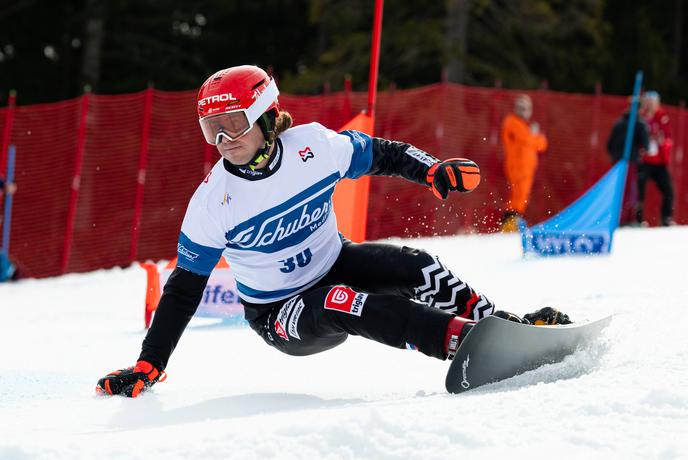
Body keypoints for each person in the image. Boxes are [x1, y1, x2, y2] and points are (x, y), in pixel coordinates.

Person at [96, 65, 571, 398]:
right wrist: (149, 365)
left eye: (234, 124)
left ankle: (506, 328)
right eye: (211, 129)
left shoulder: (314, 147)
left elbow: (381, 152)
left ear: (266, 116)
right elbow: (183, 290)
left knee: (416, 265)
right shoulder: (211, 202)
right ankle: (463, 344)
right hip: (280, 315)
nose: (224, 141)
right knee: (343, 300)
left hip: (334, 261)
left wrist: (431, 171)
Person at [500, 94, 548, 232]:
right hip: (516, 166)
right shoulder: (512, 121)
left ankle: (511, 224)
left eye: (526, 108)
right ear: (516, 108)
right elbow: (528, 140)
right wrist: (534, 136)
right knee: (517, 196)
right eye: (521, 108)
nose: (523, 111)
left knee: (521, 197)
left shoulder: (526, 126)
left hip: (526, 168)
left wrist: (533, 137)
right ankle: (509, 225)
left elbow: (543, 145)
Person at [606, 101, 650, 226]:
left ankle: (616, 216)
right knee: (629, 190)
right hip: (630, 161)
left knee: (617, 189)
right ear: (640, 110)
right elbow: (646, 145)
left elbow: (609, 145)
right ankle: (627, 219)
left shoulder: (619, 123)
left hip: (616, 162)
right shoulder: (640, 123)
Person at [637, 91, 675, 226]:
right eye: (649, 102)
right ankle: (638, 219)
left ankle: (666, 219)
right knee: (639, 188)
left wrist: (663, 142)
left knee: (669, 190)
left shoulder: (662, 117)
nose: (652, 105)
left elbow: (669, 138)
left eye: (654, 103)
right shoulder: (641, 117)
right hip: (644, 162)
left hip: (659, 162)